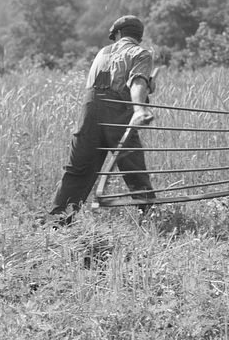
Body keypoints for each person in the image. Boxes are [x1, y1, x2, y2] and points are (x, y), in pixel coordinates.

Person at [46, 15, 157, 226]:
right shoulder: (140, 53)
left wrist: (145, 88)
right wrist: (140, 108)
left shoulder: (102, 52)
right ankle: (151, 219)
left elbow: (116, 79)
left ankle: (57, 220)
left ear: (117, 34)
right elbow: (136, 82)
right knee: (133, 167)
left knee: (78, 169)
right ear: (138, 37)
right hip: (117, 112)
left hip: (89, 111)